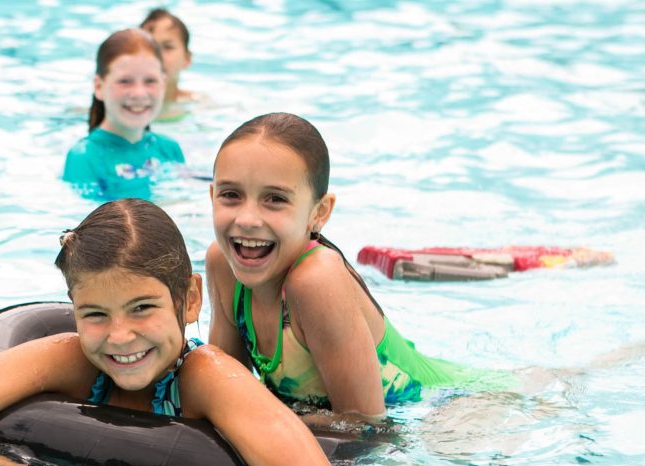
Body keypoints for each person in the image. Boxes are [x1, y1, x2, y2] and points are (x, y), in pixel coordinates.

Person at [0, 198, 342, 466]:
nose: (119, 336)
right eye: (95, 314)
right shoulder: (71, 357)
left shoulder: (207, 377)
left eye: (142, 308)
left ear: (191, 299)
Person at [206, 113, 480, 420]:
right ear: (212, 196)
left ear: (319, 213)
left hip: (457, 403)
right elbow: (224, 390)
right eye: (230, 195)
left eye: (275, 199)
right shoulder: (222, 264)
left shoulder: (317, 279)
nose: (246, 219)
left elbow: (364, 425)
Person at [63, 28, 185, 201]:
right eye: (125, 81)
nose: (139, 93)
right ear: (99, 87)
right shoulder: (84, 158)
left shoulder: (169, 149)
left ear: (163, 84)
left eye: (150, 81)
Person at [140, 8, 197, 121]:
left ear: (187, 58)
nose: (157, 55)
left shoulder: (200, 106)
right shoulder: (120, 105)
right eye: (149, 47)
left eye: (167, 47)